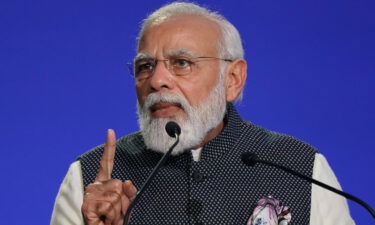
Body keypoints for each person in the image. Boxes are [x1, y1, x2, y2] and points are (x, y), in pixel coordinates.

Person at [51, 2, 355, 225]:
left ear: (233, 79)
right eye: (145, 66)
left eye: (181, 63)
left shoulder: (301, 168)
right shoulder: (89, 180)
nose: (157, 81)